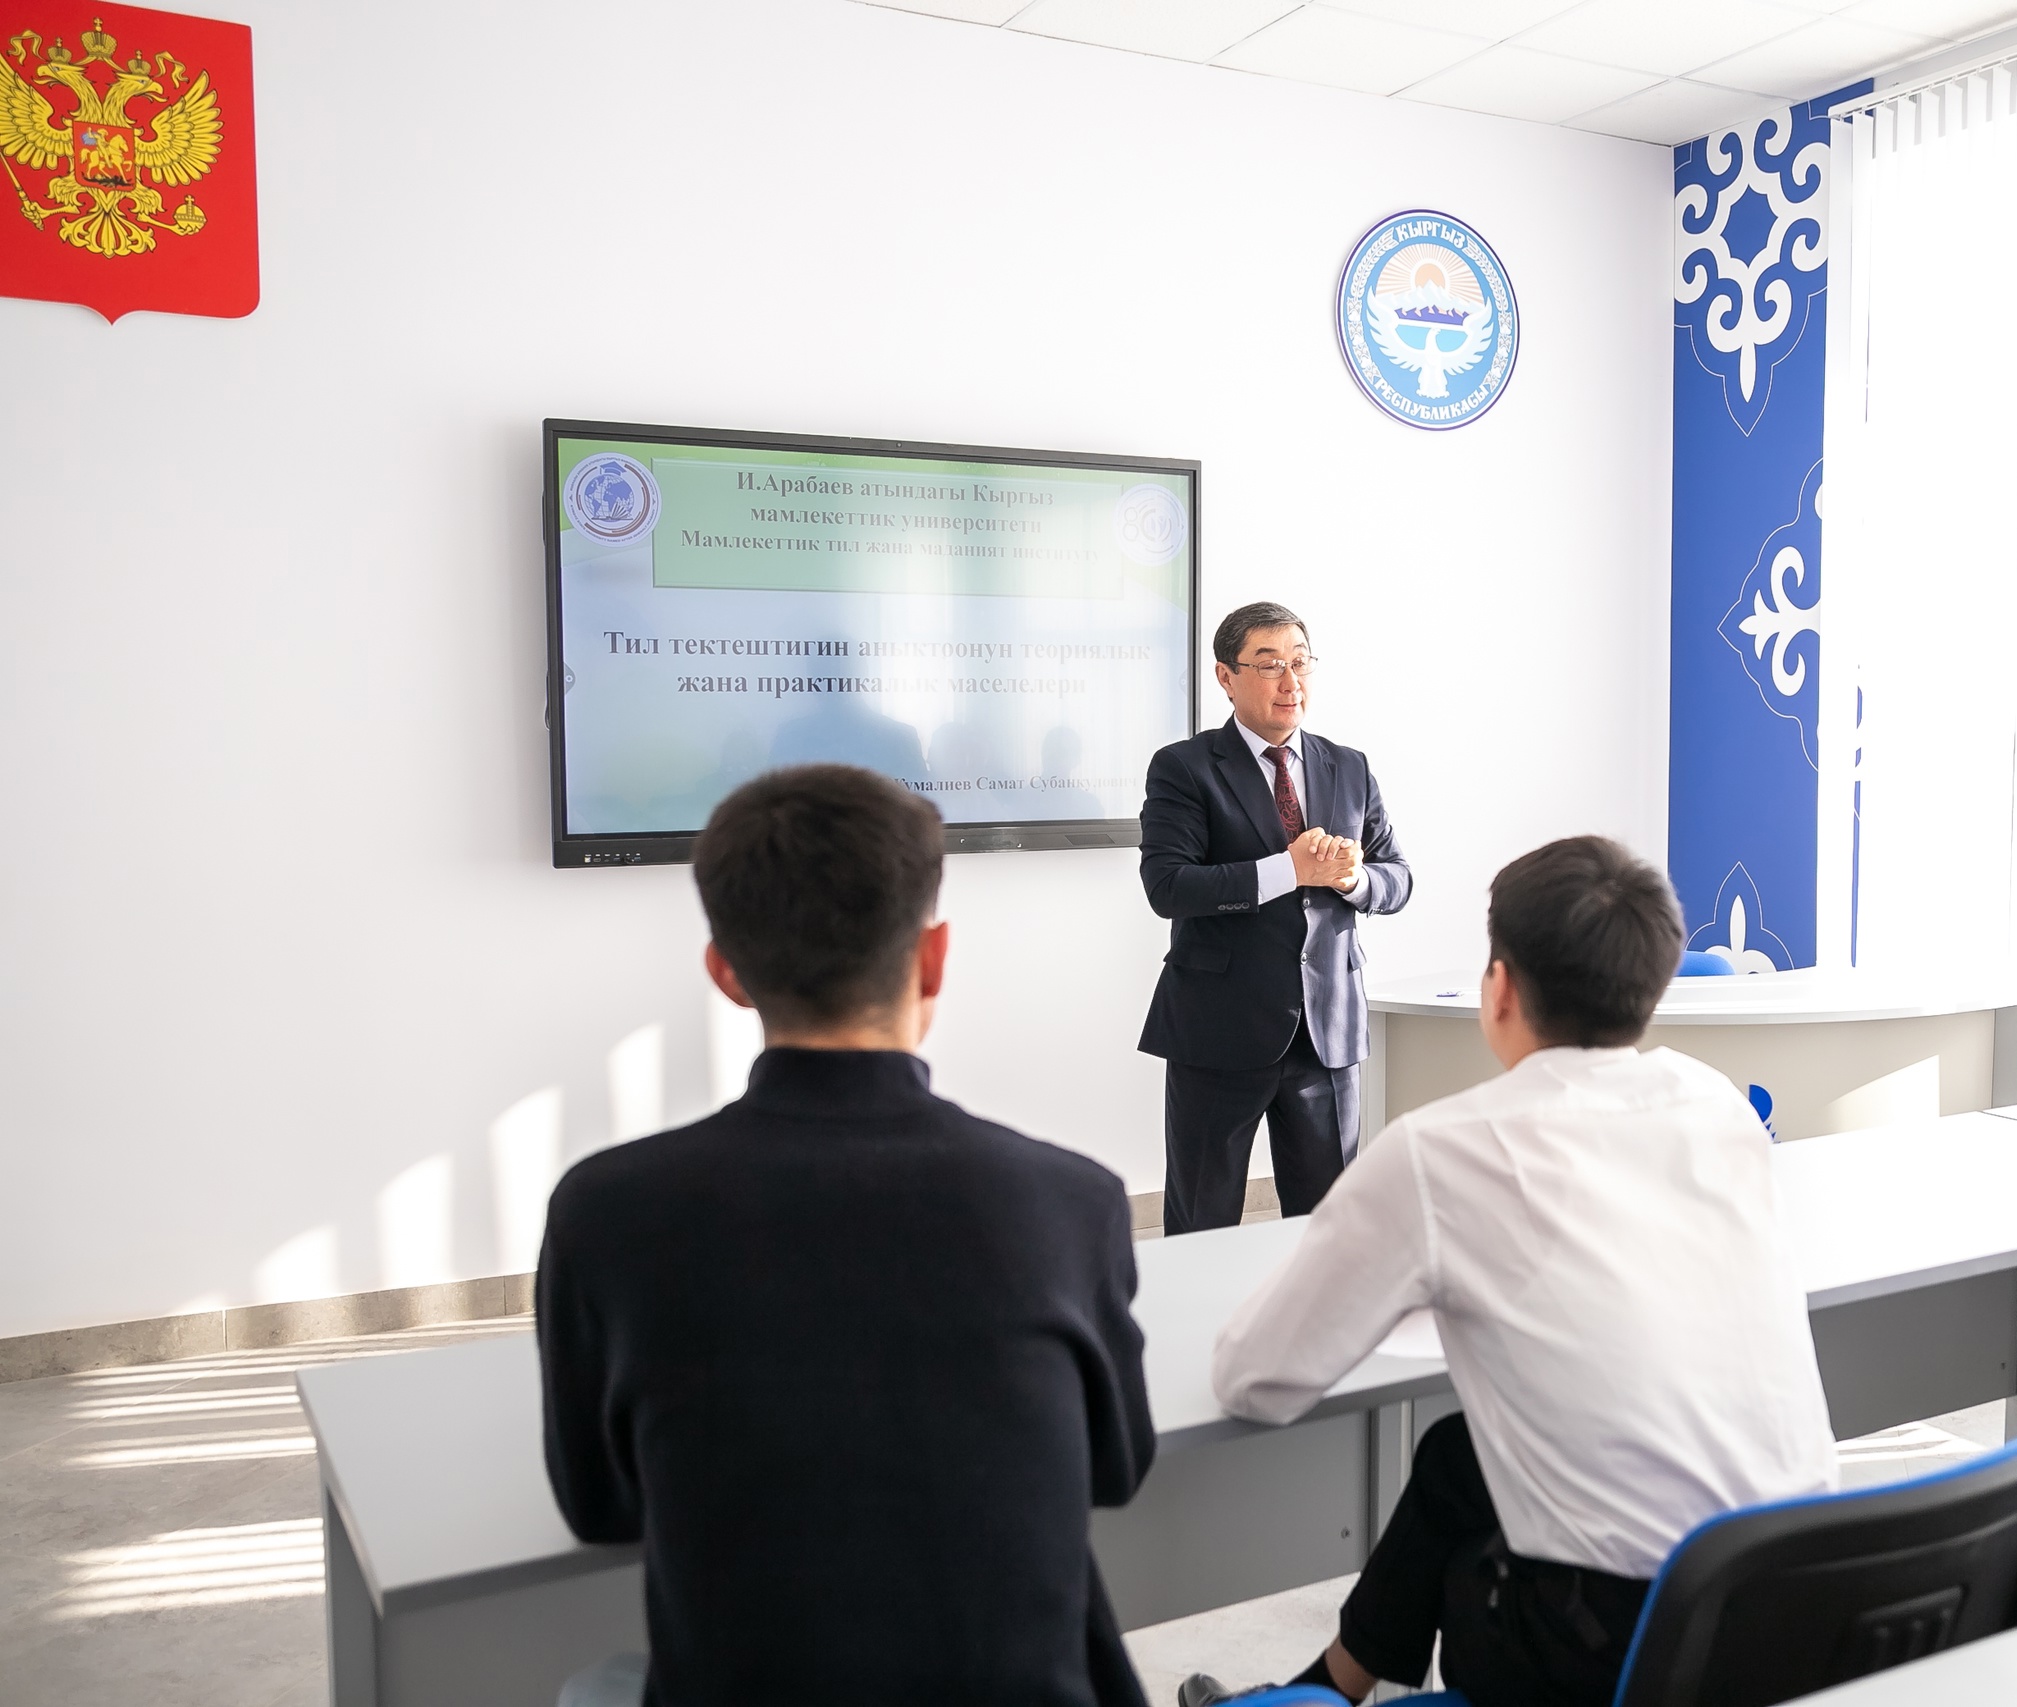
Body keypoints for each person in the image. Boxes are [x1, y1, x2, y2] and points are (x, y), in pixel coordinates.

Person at [538, 764, 1154, 1707]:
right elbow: (1115, 1468)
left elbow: (601, 1506)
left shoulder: (605, 1211)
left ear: (725, 972)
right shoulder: (1075, 1201)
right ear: (934, 957)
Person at [1185, 837, 1836, 1707]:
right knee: (1461, 1455)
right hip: (1799, 1606)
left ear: (1499, 988)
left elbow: (1255, 1377)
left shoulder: (1443, 1148)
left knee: (1475, 1536)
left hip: (1622, 1656)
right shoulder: (1715, 1101)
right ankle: (1326, 1688)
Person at [1138, 601, 1413, 1234]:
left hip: (1327, 1032)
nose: (1290, 682)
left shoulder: (1349, 765)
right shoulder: (1184, 767)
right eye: (1269, 666)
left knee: (1330, 1228)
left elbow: (1397, 877)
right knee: (1202, 1224)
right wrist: (1289, 869)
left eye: (1300, 663)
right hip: (1219, 1030)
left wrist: (1352, 879)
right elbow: (1169, 886)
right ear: (1225, 676)